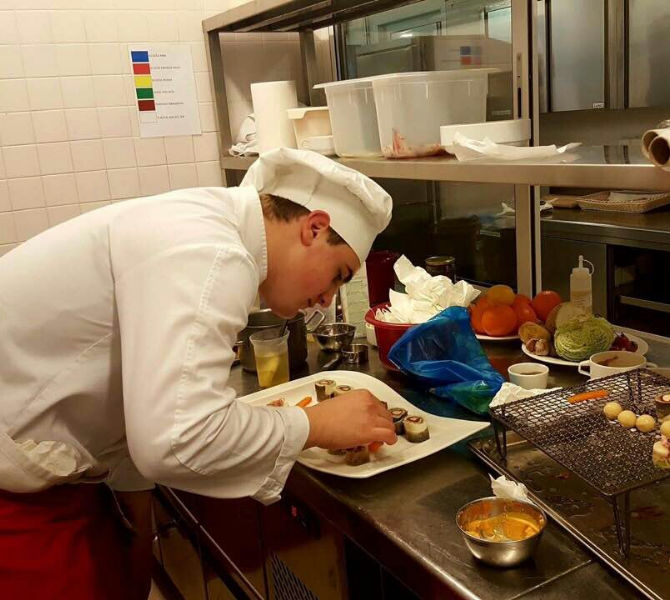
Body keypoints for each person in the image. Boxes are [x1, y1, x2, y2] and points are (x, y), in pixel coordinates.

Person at [0, 148, 397, 599]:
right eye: (338, 275)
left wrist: (138, 509)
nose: (327, 299)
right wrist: (314, 424)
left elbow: (133, 395)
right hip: (15, 492)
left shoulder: (202, 224)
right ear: (315, 228)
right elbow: (177, 435)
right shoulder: (213, 252)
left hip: (48, 471)